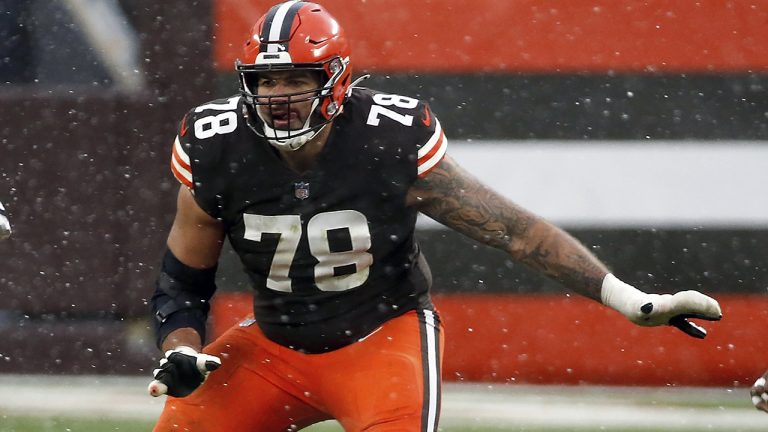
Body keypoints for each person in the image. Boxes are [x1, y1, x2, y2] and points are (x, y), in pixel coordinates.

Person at [147, 2, 723, 430]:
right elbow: (183, 278)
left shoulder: (388, 139)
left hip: (382, 338)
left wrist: (626, 298)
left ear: (337, 82)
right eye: (265, 81)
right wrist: (178, 346)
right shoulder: (215, 143)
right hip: (273, 346)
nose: (279, 95)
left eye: (298, 79)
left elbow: (517, 234)